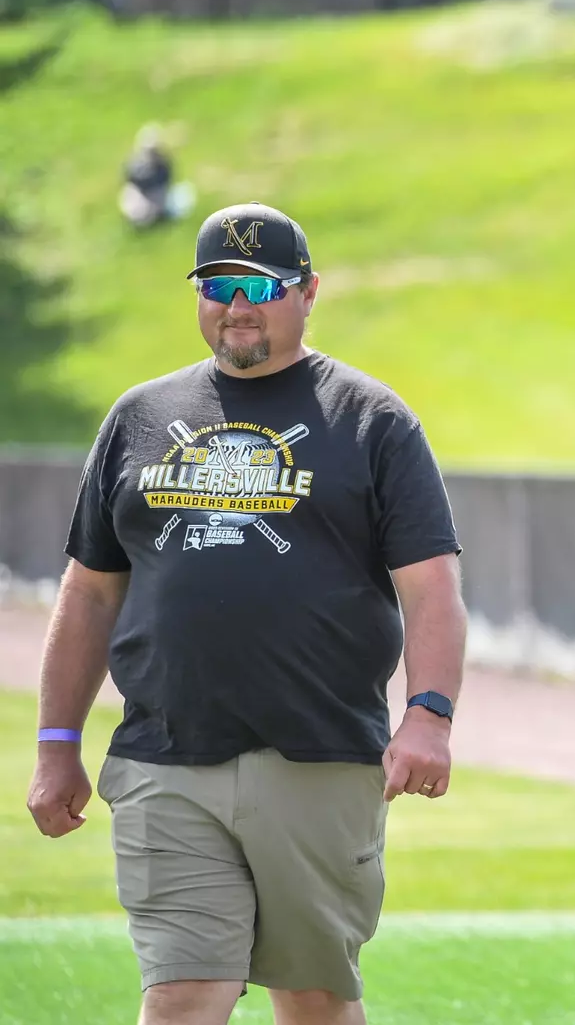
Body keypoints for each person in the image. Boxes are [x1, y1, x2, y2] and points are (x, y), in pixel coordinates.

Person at [25, 201, 467, 1025]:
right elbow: (89, 592)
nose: (238, 304)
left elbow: (430, 585)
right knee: (185, 994)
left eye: (262, 284)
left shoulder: (371, 421)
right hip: (165, 760)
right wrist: (56, 745)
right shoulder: (139, 419)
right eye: (219, 284)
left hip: (319, 757)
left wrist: (430, 714)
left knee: (313, 1001)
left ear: (308, 292)